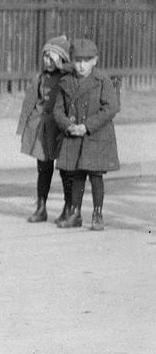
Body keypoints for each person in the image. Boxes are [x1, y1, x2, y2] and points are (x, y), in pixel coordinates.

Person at [53, 38, 120, 231]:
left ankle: (97, 213)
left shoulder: (102, 81)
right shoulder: (66, 81)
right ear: (72, 60)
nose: (81, 65)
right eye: (77, 60)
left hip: (95, 136)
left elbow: (111, 108)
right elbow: (58, 110)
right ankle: (75, 213)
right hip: (74, 135)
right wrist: (68, 126)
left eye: (86, 60)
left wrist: (87, 126)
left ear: (95, 60)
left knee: (96, 175)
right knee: (76, 175)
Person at [15, 35, 71, 223]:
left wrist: (63, 65)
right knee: (43, 169)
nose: (47, 61)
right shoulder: (39, 77)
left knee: (65, 169)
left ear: (61, 59)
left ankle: (68, 207)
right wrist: (23, 127)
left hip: (60, 129)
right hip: (42, 129)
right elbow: (29, 102)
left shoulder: (67, 78)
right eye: (45, 57)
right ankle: (41, 207)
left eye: (52, 58)